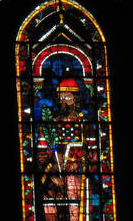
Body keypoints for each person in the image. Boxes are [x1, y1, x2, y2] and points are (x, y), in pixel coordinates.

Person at [35, 78, 93, 221]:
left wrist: (80, 164)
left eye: (68, 97)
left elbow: (94, 157)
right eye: (60, 97)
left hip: (76, 179)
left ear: (76, 100)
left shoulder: (85, 126)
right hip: (52, 180)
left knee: (75, 208)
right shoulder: (49, 126)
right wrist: (51, 173)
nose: (63, 102)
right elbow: (40, 155)